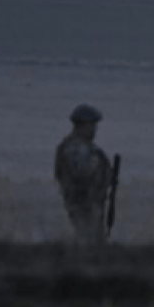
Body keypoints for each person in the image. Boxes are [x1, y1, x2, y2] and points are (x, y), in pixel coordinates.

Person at [54, 104, 111, 244]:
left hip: (89, 201)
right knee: (89, 237)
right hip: (84, 202)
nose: (94, 129)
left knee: (92, 237)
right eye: (92, 125)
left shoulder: (80, 146)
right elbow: (82, 175)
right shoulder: (76, 148)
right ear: (82, 125)